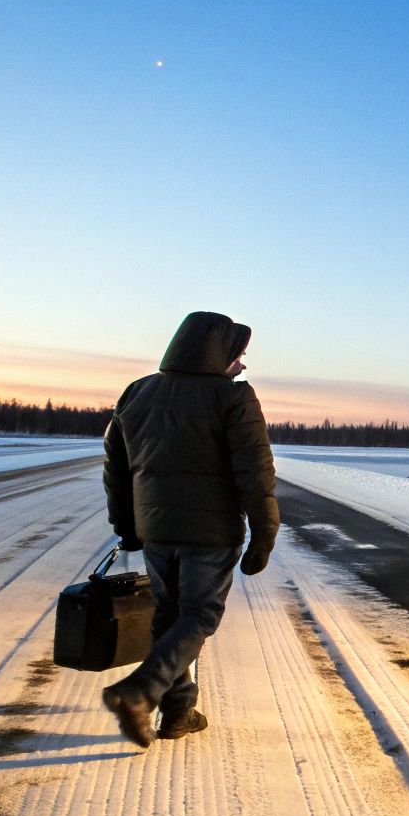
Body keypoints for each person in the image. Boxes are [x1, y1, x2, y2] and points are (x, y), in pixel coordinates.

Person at [101, 311, 278, 747]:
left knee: (169, 616)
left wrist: (126, 524)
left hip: (157, 531)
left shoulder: (138, 391)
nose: (242, 363)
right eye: (238, 354)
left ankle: (178, 712)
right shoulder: (233, 397)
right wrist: (264, 533)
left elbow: (117, 468)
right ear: (217, 353)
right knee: (199, 616)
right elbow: (256, 472)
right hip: (211, 533)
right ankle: (139, 692)